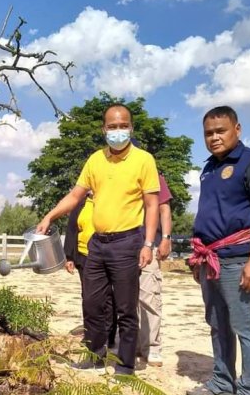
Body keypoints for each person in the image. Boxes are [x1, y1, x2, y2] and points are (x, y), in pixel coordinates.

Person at [37, 104, 160, 375]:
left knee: (126, 308)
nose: (118, 131)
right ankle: (95, 355)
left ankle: (125, 366)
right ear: (104, 129)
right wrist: (50, 216)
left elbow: (152, 205)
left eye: (123, 125)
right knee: (92, 304)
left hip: (128, 242)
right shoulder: (95, 160)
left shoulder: (144, 160)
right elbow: (75, 196)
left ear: (131, 128)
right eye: (112, 126)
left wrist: (148, 244)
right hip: (97, 243)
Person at [187, 106, 250, 395]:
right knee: (217, 324)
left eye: (220, 131)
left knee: (247, 327)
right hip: (210, 259)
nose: (214, 137)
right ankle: (222, 382)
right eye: (208, 133)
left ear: (237, 129)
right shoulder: (209, 167)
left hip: (239, 259)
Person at [63, 192, 117, 347]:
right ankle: (90, 335)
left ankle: (109, 337)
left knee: (108, 298)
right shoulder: (80, 204)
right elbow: (72, 230)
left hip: (107, 255)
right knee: (88, 298)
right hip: (84, 256)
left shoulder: (110, 201)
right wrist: (69, 257)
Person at [137, 173, 173, 367]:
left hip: (148, 246)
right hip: (122, 245)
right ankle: (133, 344)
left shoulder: (153, 175)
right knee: (126, 300)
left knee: (149, 296)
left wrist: (166, 237)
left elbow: (164, 208)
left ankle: (152, 347)